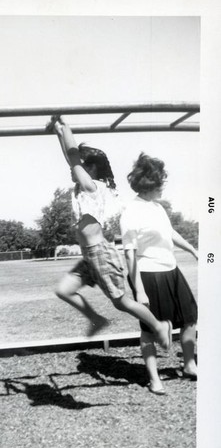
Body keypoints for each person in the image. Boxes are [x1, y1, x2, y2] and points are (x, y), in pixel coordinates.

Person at [47, 116, 172, 350]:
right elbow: (71, 158)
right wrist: (58, 133)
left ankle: (158, 325)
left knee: (121, 302)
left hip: (101, 253)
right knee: (63, 290)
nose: (74, 169)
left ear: (91, 168)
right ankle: (97, 319)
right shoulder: (82, 187)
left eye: (82, 166)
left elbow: (73, 158)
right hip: (90, 254)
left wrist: (65, 127)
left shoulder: (93, 187)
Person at [120, 153, 198, 395]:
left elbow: (170, 232)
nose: (163, 186)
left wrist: (193, 249)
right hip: (148, 274)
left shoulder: (157, 207)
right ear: (149, 185)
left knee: (189, 318)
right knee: (149, 329)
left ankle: (189, 365)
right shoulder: (131, 212)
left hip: (171, 270)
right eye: (160, 182)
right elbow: (130, 254)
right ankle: (154, 379)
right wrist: (139, 289)